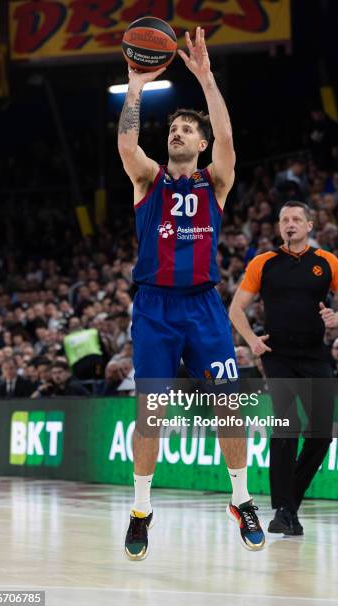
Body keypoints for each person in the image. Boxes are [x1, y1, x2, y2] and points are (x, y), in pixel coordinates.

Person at [118, 27, 264, 560]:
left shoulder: (214, 182)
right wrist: (136, 86)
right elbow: (126, 144)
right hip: (155, 308)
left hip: (203, 306)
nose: (177, 133)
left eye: (186, 129)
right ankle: (140, 510)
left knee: (229, 409)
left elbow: (227, 140)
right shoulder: (148, 180)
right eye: (174, 128)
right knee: (150, 414)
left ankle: (242, 500)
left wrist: (205, 78)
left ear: (200, 144)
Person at [229, 201, 338, 536]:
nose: (290, 224)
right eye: (284, 219)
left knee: (321, 435)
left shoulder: (326, 262)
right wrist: (252, 340)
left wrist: (336, 318)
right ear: (279, 226)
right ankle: (283, 510)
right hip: (278, 355)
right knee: (287, 426)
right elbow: (236, 309)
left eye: (296, 219)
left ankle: (289, 506)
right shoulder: (264, 263)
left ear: (309, 226)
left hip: (315, 354)